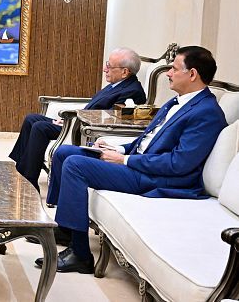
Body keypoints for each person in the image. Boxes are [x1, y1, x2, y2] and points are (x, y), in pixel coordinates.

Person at [40, 46, 227, 274]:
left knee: (75, 165)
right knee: (64, 153)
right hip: (142, 164)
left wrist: (125, 160)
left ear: (192, 74)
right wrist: (118, 147)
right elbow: (148, 140)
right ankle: (66, 228)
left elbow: (178, 164)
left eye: (174, 68)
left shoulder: (206, 112)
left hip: (156, 178)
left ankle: (80, 255)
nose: (168, 73)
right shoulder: (178, 101)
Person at [9, 47, 147, 191]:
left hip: (85, 130)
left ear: (125, 72)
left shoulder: (133, 92)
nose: (105, 69)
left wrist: (72, 121)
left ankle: (30, 182)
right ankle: (20, 170)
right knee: (31, 119)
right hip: (79, 122)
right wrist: (67, 121)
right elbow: (93, 108)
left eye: (110, 66)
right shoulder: (116, 85)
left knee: (40, 127)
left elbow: (110, 118)